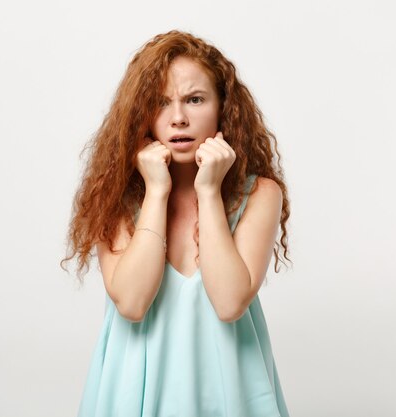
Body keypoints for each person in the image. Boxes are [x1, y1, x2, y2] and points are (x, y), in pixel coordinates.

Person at [61, 29, 292, 417]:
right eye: (160, 103)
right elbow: (132, 304)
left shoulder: (260, 195)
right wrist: (156, 192)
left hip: (230, 392)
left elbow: (229, 302)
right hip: (135, 393)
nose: (179, 118)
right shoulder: (117, 196)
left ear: (222, 108)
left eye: (195, 99)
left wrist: (209, 191)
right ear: (142, 114)